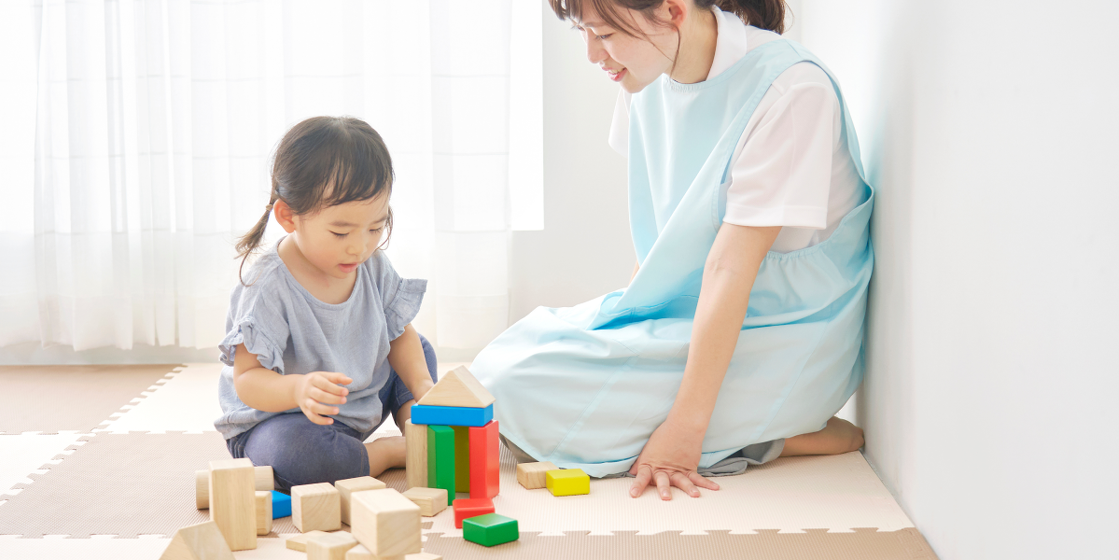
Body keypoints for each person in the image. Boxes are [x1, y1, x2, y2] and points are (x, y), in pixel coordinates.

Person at [471, 0, 872, 500]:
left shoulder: (792, 89)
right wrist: (625, 335)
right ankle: (757, 433)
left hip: (784, 332)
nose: (593, 54)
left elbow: (730, 268)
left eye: (604, 34)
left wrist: (684, 431)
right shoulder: (645, 78)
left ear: (672, 10)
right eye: (583, 32)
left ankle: (781, 432)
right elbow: (666, 242)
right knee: (496, 370)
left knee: (523, 394)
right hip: (695, 313)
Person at [213, 116, 436, 492]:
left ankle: (415, 421)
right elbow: (248, 379)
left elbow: (399, 335)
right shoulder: (268, 286)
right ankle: (385, 454)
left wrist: (423, 386)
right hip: (283, 420)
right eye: (340, 232)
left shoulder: (371, 263)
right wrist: (298, 389)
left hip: (356, 402)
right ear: (289, 216)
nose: (360, 247)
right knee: (299, 455)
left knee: (415, 348)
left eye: (375, 228)